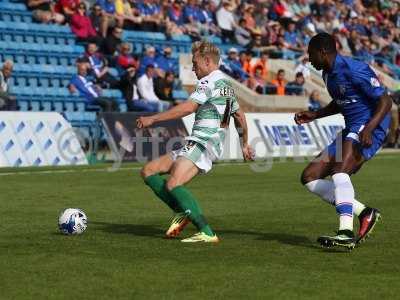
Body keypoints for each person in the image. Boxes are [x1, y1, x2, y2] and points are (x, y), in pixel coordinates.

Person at [136, 40, 254, 243]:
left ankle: (206, 232)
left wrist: (153, 119)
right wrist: (244, 143)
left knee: (173, 183)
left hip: (204, 141)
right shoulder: (227, 86)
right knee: (149, 171)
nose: (193, 68)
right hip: (198, 141)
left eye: (195, 63)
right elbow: (240, 117)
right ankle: (183, 212)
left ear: (207, 61)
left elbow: (188, 108)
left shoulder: (209, 82)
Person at [294, 33, 392, 250]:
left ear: (323, 52)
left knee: (340, 171)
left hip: (370, 125)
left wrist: (369, 128)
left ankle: (345, 232)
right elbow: (341, 102)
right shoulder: (328, 74)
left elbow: (386, 100)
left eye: (310, 54)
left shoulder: (354, 69)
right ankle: (364, 213)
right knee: (310, 177)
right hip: (353, 127)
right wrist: (315, 114)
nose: (309, 59)